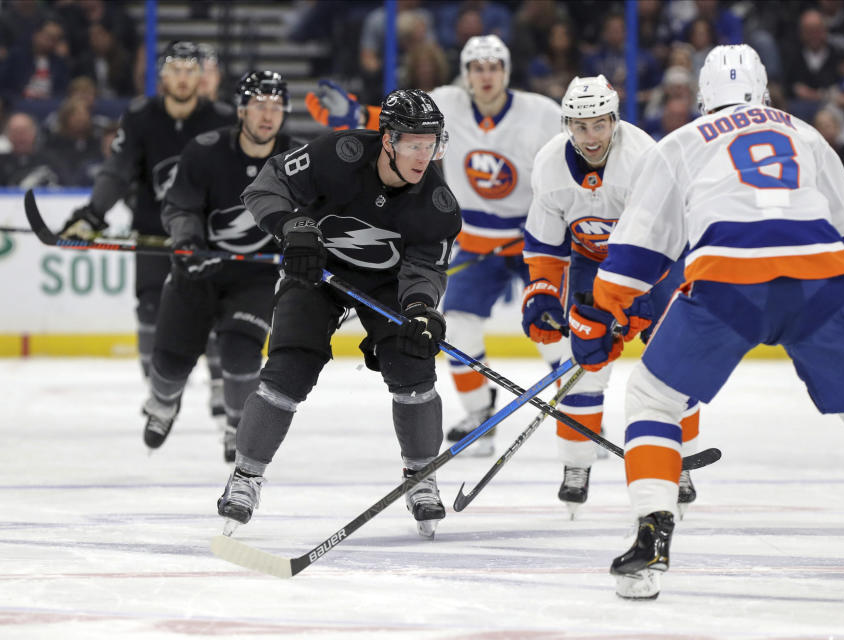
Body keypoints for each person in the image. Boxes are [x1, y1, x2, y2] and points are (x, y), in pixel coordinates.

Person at [569, 44, 844, 600]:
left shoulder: (681, 142)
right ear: (765, 91)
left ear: (705, 97)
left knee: (655, 400)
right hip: (823, 284)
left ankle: (652, 537)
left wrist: (604, 311)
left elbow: (634, 261)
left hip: (729, 282)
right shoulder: (805, 132)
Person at [216, 89, 462, 539]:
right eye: (412, 143)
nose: (422, 156)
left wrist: (422, 309)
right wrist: (293, 227)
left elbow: (424, 269)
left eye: (430, 145)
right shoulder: (338, 153)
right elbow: (265, 185)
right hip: (317, 271)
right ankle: (246, 477)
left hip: (387, 285)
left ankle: (422, 474)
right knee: (289, 366)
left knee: (414, 364)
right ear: (387, 140)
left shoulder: (438, 205)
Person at [306, 35, 567, 458]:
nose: (486, 76)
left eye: (493, 67)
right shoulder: (446, 102)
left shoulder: (540, 113)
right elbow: (396, 124)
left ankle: (578, 414)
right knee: (458, 327)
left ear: (505, 72)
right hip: (477, 242)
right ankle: (480, 416)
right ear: (466, 74)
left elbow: (575, 152)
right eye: (477, 68)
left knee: (550, 328)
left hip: (531, 240)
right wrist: (353, 115)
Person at [523, 74, 702, 517]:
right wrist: (544, 295)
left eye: (599, 125)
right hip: (592, 261)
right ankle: (575, 465)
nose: (591, 137)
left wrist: (638, 299)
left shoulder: (643, 157)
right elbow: (547, 246)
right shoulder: (548, 166)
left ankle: (681, 464)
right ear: (567, 123)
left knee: (673, 361)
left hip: (657, 263)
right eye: (581, 127)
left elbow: (663, 234)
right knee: (585, 361)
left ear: (614, 121)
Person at [57, 41, 236, 421]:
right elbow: (117, 171)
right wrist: (92, 213)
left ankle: (224, 387)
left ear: (200, 75)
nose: (184, 78)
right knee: (152, 309)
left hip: (206, 238)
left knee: (219, 311)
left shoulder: (221, 118)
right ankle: (162, 392)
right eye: (177, 70)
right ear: (163, 76)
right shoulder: (140, 116)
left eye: (191, 70)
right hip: (153, 232)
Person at [141, 70, 296, 463]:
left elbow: (321, 213)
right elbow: (180, 206)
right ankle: (162, 404)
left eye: (276, 107)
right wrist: (188, 242)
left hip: (257, 277)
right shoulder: (205, 150)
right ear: (242, 109)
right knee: (171, 362)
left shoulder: (298, 160)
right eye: (259, 105)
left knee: (241, 353)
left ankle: (236, 427)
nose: (267, 115)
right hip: (198, 270)